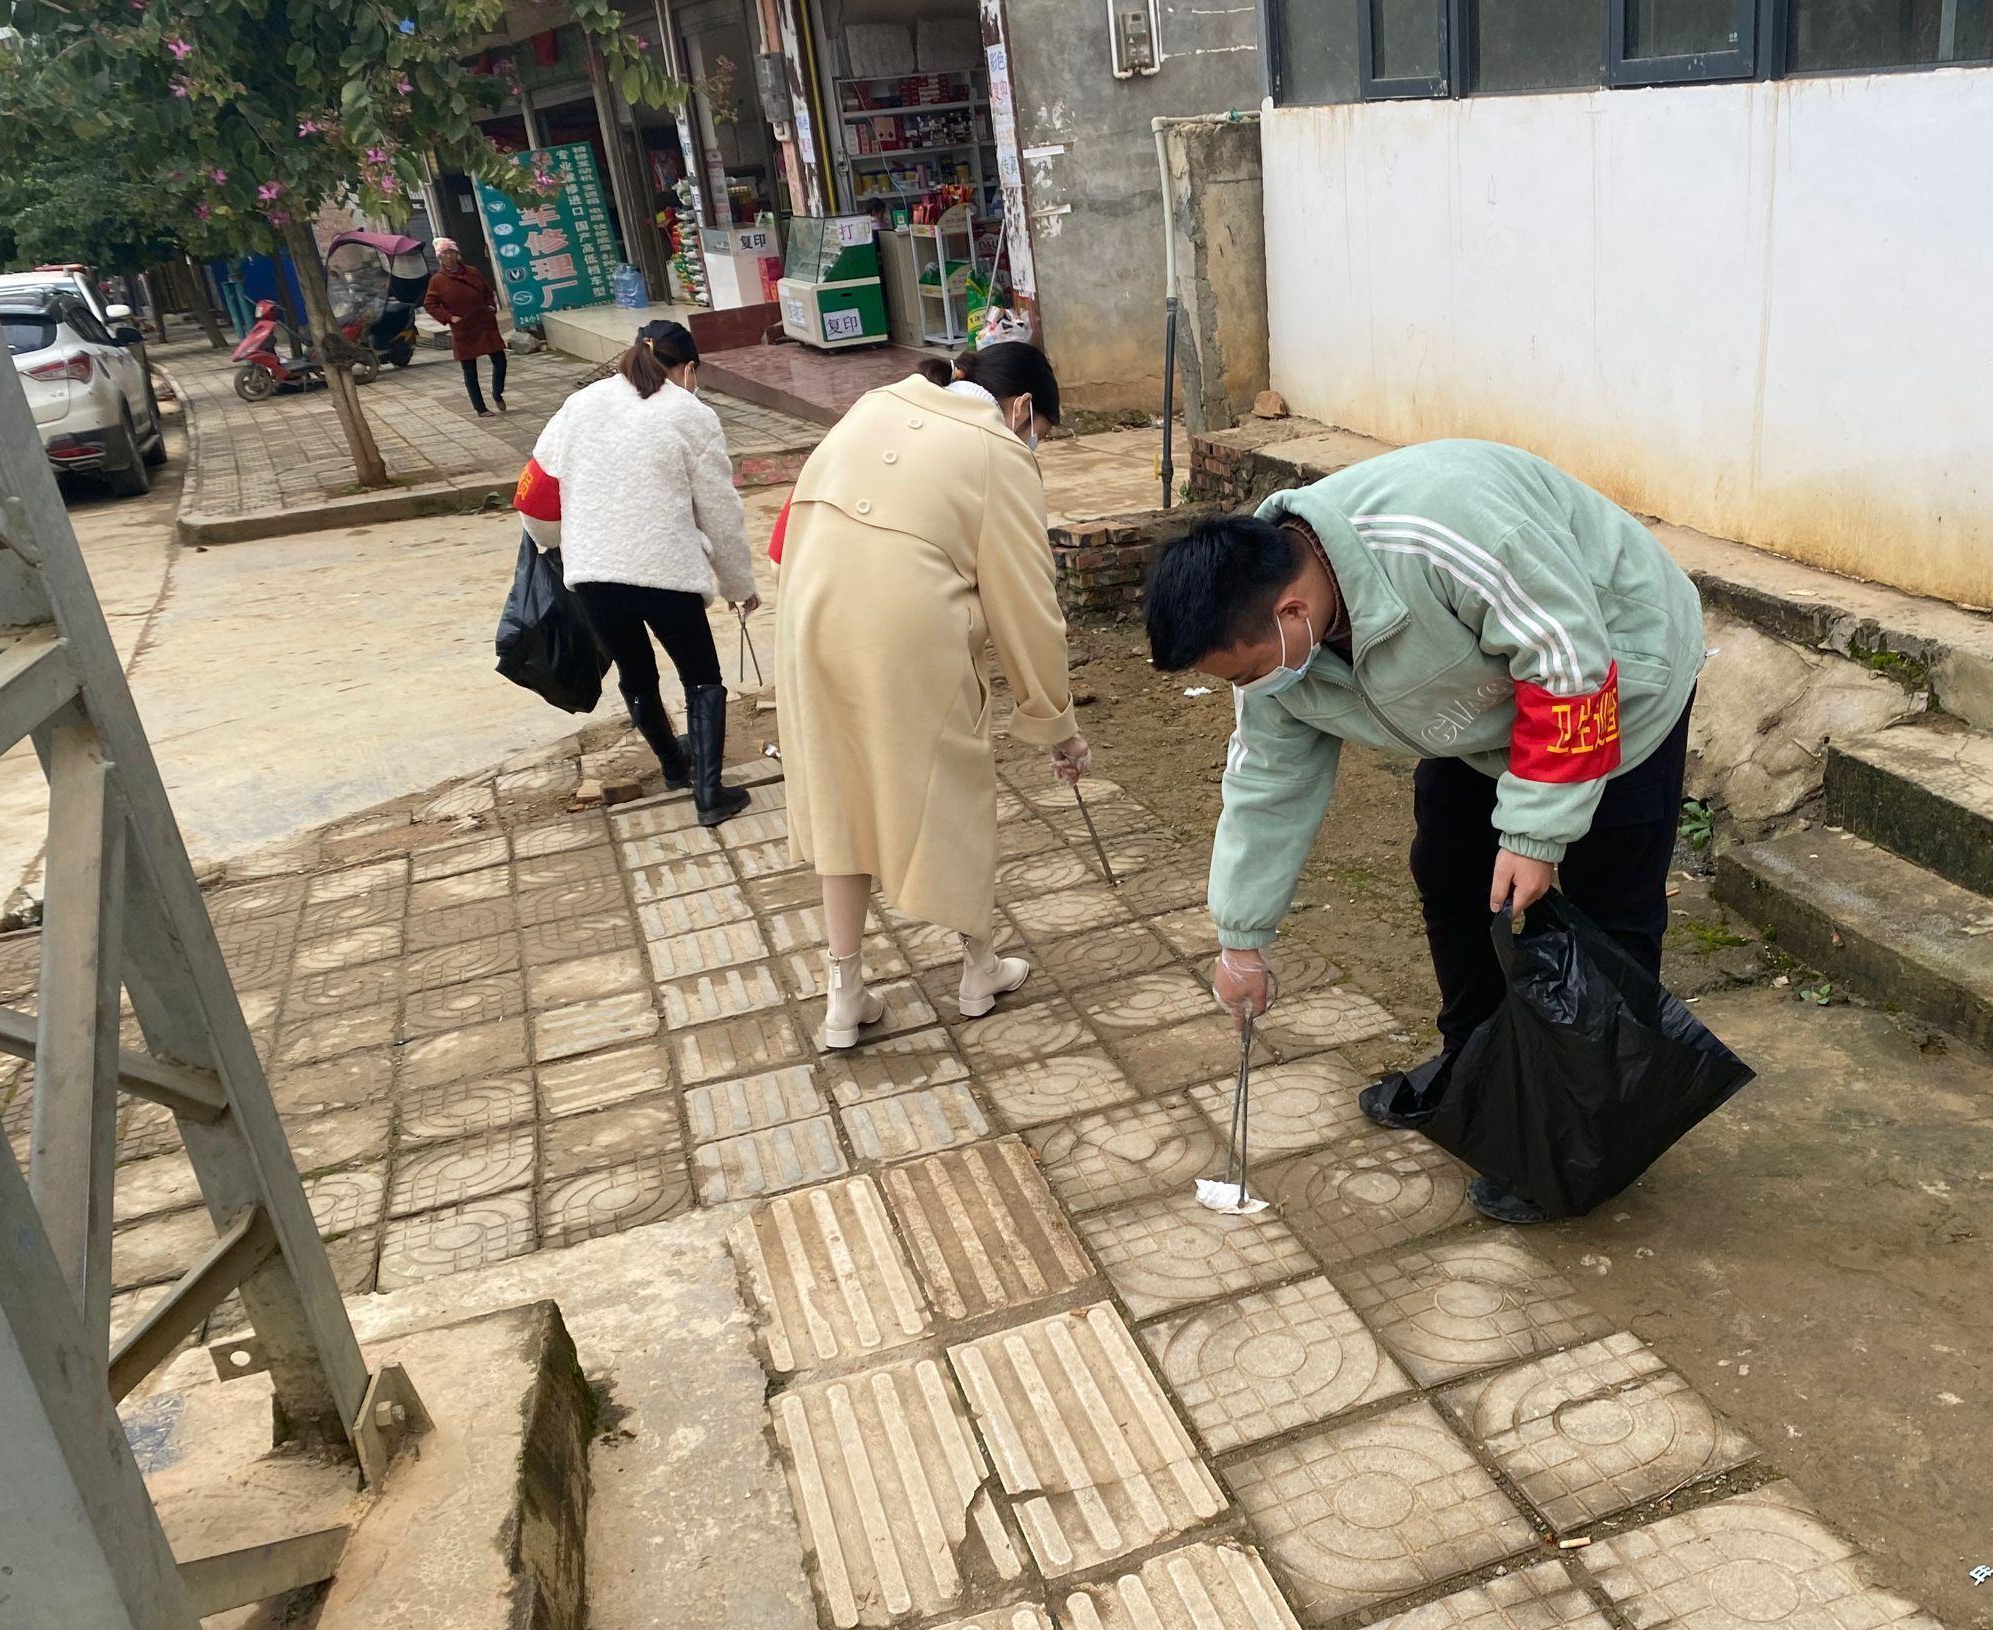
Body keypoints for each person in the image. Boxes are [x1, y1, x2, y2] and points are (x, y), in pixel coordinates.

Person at [1143, 440, 1705, 1225]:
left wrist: (1536, 834)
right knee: (1451, 868)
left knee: (1608, 910)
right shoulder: (1275, 636)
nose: (1246, 690)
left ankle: (1586, 1140)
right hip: (1482, 712)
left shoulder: (1446, 531)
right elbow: (1267, 781)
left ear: (1292, 612)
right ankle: (1475, 1072)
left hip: (1620, 668)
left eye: (1240, 674)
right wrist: (1241, 937)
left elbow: (1569, 663)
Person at [775, 338, 1091, 1050]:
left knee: (842, 799)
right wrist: (1055, 722)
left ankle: (844, 993)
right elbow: (1027, 604)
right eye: (1040, 434)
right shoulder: (997, 450)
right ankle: (978, 969)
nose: (1033, 444)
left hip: (807, 615)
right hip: (906, 630)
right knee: (952, 791)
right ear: (1023, 408)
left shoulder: (875, 401)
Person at [527, 319, 758, 826]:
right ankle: (710, 795)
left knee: (637, 673)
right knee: (701, 677)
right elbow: (719, 511)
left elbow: (536, 491)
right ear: (689, 367)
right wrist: (739, 585)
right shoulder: (690, 413)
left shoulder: (579, 405)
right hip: (665, 572)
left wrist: (554, 545)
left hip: (592, 573)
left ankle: (675, 767)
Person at [423, 237, 507, 415]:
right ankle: (480, 408)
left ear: (456, 253)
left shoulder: (472, 272)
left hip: (484, 322)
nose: (448, 256)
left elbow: (487, 291)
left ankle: (497, 393)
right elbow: (430, 304)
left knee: (500, 361)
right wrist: (449, 317)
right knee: (470, 371)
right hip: (463, 328)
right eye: (444, 253)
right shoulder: (437, 280)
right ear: (439, 257)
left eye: (451, 252)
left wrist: (491, 306)